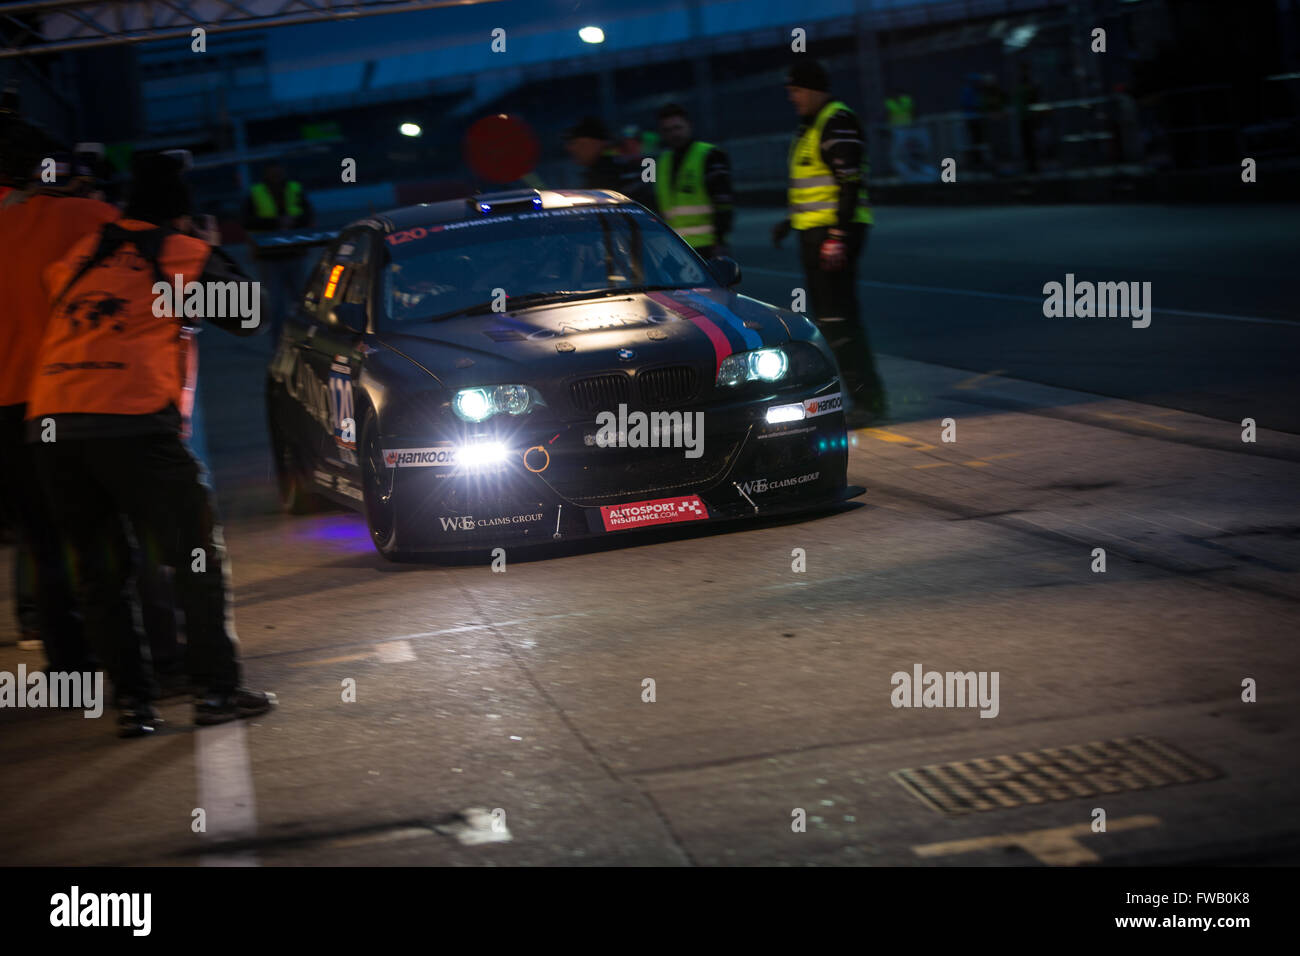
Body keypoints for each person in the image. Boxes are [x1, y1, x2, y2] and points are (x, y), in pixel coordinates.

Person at [29, 151, 276, 737]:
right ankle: (216, 692)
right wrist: (211, 249)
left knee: (100, 571)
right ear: (183, 217)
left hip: (53, 424)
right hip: (133, 421)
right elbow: (250, 317)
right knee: (193, 556)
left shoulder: (82, 253)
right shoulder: (180, 254)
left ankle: (135, 708)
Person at [0, 149, 119, 674]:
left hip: (8, 408)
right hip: (77, 397)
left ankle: (69, 667)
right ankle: (126, 658)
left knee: (41, 540)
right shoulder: (95, 219)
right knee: (101, 533)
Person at [772, 59, 886, 426]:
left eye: (796, 91)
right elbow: (816, 186)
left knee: (840, 319)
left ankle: (869, 401)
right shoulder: (809, 127)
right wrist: (790, 222)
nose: (792, 98)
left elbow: (850, 182)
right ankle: (861, 397)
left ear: (815, 89)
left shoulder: (836, 121)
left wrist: (838, 236)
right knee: (832, 319)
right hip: (816, 233)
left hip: (834, 235)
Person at [242, 162, 314, 343]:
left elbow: (309, 215)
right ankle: (280, 343)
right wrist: (276, 223)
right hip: (270, 256)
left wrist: (293, 222)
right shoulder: (256, 193)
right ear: (266, 173)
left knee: (302, 301)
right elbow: (247, 221)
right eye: (272, 171)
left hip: (294, 252)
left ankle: (307, 339)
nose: (276, 174)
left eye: (278, 170)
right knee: (276, 304)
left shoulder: (294, 188)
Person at [655, 103, 734, 259]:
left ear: (689, 126)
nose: (673, 134)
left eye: (678, 128)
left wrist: (719, 240)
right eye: (667, 130)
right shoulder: (661, 161)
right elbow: (650, 196)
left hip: (707, 246)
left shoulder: (710, 155)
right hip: (673, 247)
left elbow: (724, 203)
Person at [564, 115, 648, 203]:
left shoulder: (610, 173)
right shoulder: (602, 171)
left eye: (579, 144)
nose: (571, 148)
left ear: (596, 143)